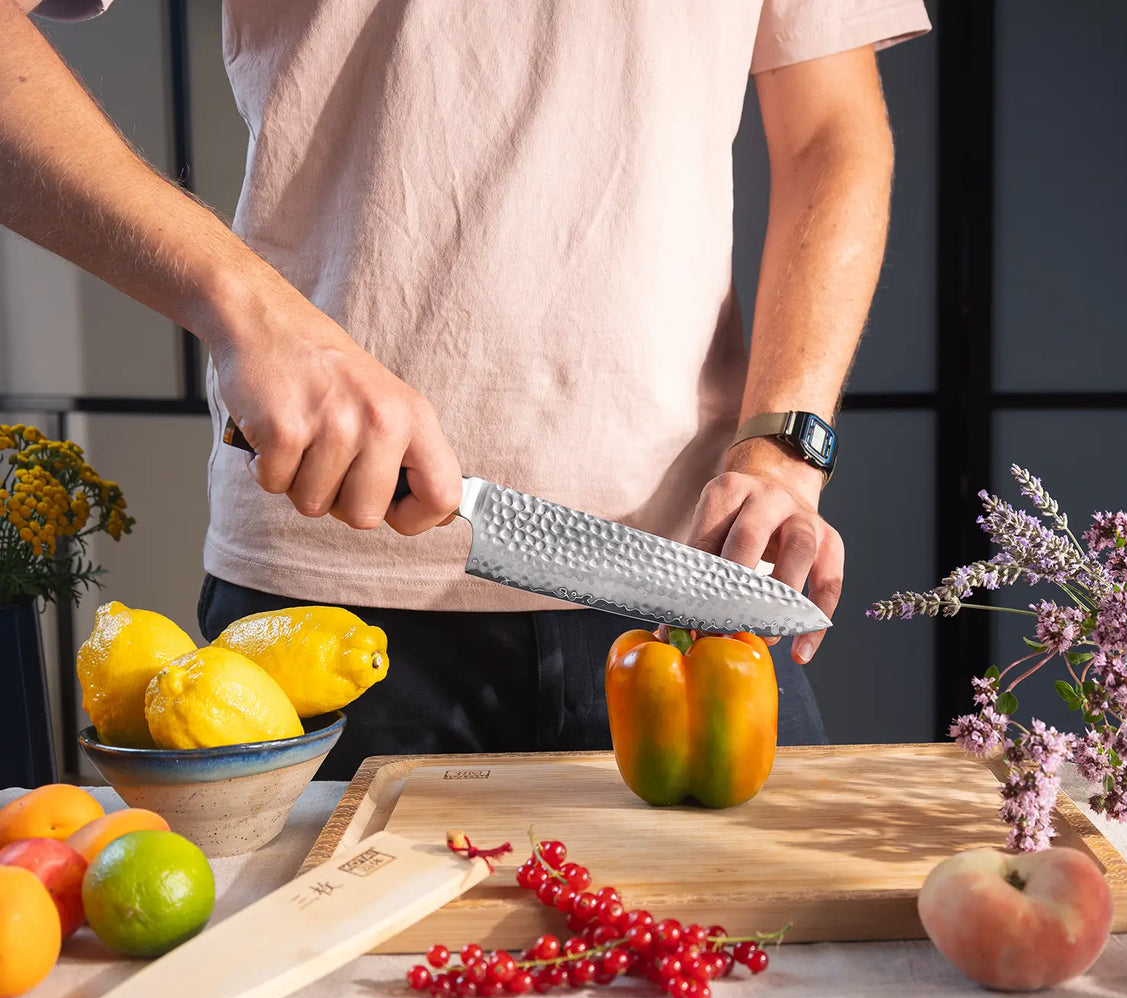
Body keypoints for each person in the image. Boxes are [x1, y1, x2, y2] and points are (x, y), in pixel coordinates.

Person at [0, 1, 931, 779]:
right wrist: (250, 311)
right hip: (322, 604)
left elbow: (829, 134)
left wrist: (785, 443)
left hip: (693, 583)